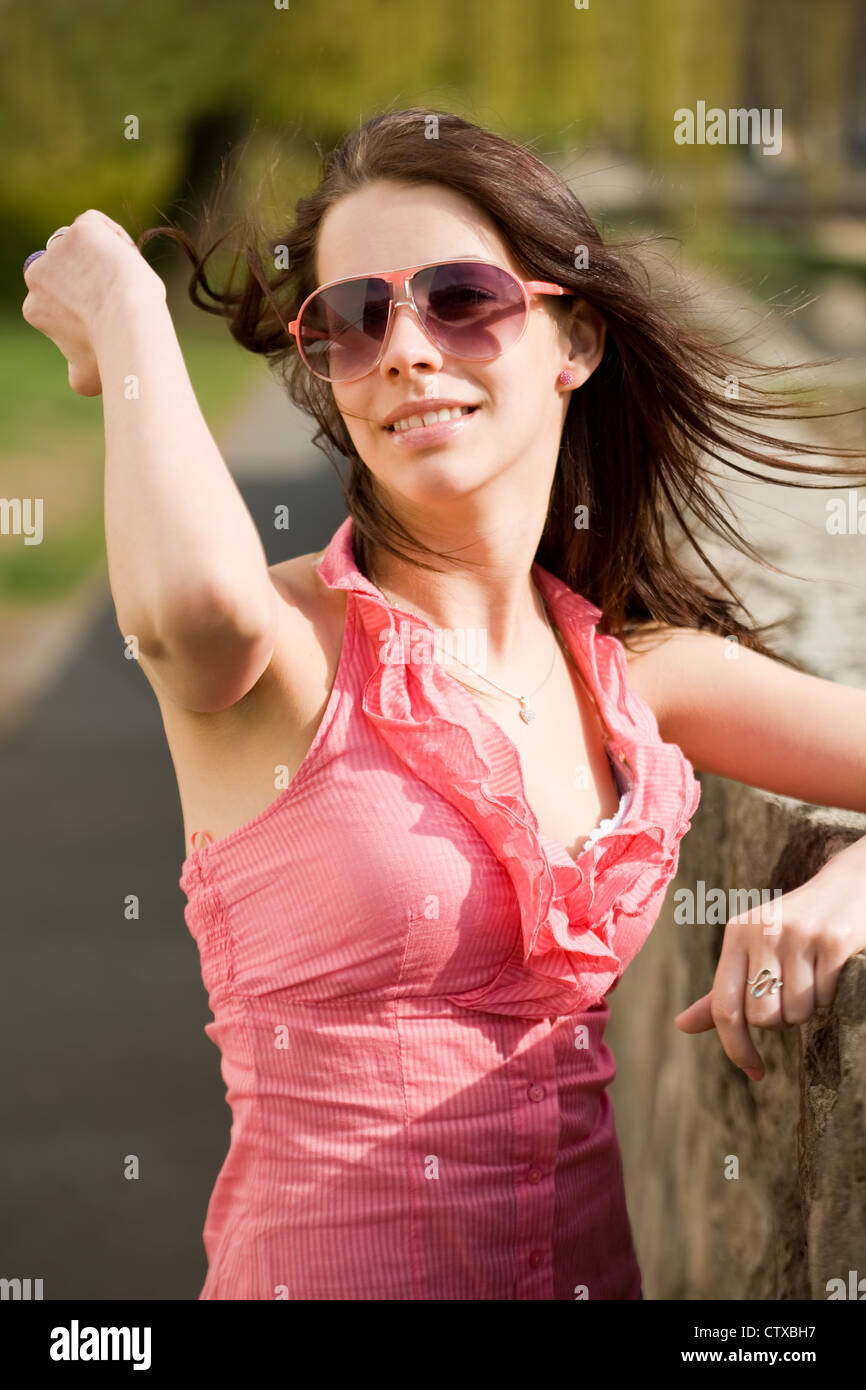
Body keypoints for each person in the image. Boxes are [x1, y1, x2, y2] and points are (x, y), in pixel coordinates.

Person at [21, 108, 866, 1300]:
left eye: (461, 298)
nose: (406, 349)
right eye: (353, 321)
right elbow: (186, 604)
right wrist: (125, 305)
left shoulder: (631, 675)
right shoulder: (279, 657)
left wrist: (856, 877)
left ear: (570, 339)